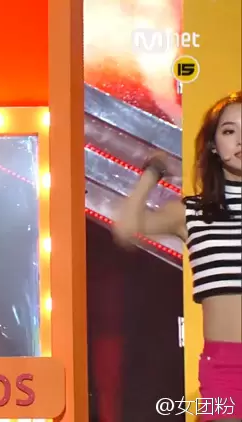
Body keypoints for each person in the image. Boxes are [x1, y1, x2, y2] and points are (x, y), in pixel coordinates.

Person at [113, 91, 241, 422]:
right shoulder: (192, 213)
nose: (240, 140)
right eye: (229, 131)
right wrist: (152, 173)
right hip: (225, 369)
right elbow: (127, 228)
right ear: (214, 145)